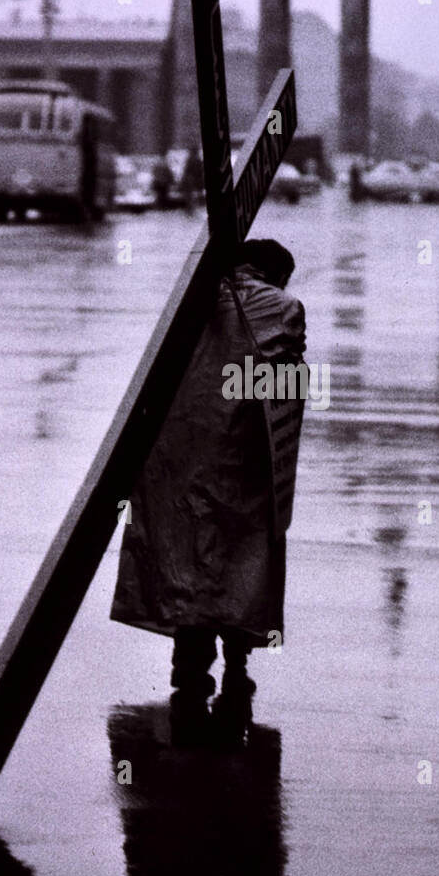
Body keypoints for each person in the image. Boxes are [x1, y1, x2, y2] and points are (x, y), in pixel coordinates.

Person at [110, 238, 307, 742]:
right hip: (242, 459)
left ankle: (188, 665)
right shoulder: (281, 308)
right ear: (275, 275)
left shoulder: (191, 302)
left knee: (186, 556)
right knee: (242, 558)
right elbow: (284, 389)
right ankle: (237, 663)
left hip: (176, 455)